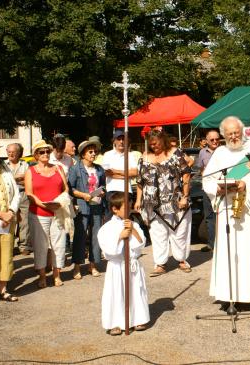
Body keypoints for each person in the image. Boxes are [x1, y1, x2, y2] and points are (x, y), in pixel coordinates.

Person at [202, 116, 250, 305]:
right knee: (228, 254)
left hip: (248, 211)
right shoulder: (219, 153)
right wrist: (217, 189)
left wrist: (246, 186)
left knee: (248, 254)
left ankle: (249, 296)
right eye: (229, 134)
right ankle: (229, 296)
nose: (234, 137)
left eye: (236, 133)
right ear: (223, 135)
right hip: (227, 209)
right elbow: (207, 179)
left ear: (242, 131)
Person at [134, 129, 192, 276]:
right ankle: (160, 263)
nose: (154, 146)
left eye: (156, 144)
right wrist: (138, 200)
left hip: (175, 200)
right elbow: (140, 181)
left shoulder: (175, 153)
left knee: (179, 231)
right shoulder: (144, 157)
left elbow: (186, 174)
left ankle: (182, 260)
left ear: (163, 140)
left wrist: (185, 196)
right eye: (151, 145)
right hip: (152, 203)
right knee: (157, 233)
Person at [98, 192, 149, 335]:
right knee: (116, 294)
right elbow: (108, 248)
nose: (130, 209)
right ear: (115, 209)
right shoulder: (107, 228)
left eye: (130, 206)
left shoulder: (134, 224)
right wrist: (120, 237)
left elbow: (141, 243)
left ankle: (137, 319)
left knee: (135, 293)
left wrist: (132, 230)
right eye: (126, 207)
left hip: (132, 266)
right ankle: (115, 322)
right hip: (117, 266)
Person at [25, 140, 69, 288]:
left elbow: (66, 189)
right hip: (38, 213)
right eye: (41, 152)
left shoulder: (58, 168)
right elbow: (29, 194)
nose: (45, 154)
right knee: (41, 246)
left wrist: (59, 201)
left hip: (58, 212)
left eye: (47, 151)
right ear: (36, 155)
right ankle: (42, 276)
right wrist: (43, 205)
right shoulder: (30, 171)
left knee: (59, 245)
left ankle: (57, 275)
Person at [68, 138, 106, 279]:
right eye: (90, 152)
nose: (93, 154)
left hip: (97, 205)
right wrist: (83, 195)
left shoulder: (99, 169)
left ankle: (93, 265)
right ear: (83, 154)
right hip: (82, 206)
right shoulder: (75, 168)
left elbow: (103, 185)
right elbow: (70, 188)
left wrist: (102, 192)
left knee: (96, 236)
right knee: (80, 235)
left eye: (95, 151)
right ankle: (77, 266)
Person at [0, 142, 20, 304]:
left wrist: (11, 212)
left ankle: (3, 289)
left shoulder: (6, 170)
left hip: (7, 221)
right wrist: (0, 213)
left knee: (5, 256)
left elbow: (16, 193)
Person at [102, 129, 138, 219]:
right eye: (119, 139)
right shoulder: (107, 155)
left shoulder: (130, 155)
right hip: (112, 190)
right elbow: (107, 173)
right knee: (111, 217)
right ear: (114, 141)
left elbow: (135, 172)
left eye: (123, 139)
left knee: (126, 217)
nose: (121, 141)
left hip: (127, 190)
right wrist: (127, 175)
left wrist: (116, 171)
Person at [195, 130, 221, 252]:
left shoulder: (224, 151)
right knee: (209, 216)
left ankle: (223, 244)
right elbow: (201, 169)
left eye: (217, 139)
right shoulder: (202, 153)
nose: (215, 141)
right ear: (206, 140)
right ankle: (212, 244)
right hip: (207, 188)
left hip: (222, 188)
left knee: (222, 215)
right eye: (212, 140)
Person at [5, 143, 31, 255]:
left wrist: (18, 180)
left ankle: (23, 246)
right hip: (9, 195)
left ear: (18, 153)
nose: (10, 154)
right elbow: (4, 180)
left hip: (23, 194)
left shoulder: (25, 165)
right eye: (8, 151)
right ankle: (9, 246)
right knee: (10, 220)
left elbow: (28, 180)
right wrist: (17, 178)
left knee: (25, 221)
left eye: (13, 152)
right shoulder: (3, 165)